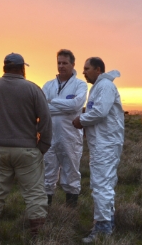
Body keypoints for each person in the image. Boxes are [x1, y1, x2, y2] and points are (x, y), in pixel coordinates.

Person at [0, 53, 52, 239]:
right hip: (27, 150)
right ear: (22, 68)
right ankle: (38, 238)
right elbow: (46, 119)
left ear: (4, 68)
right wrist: (43, 145)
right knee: (34, 196)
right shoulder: (32, 89)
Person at [72, 57, 124, 243]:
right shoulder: (99, 87)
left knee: (102, 185)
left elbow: (100, 112)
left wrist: (81, 120)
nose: (84, 72)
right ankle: (107, 222)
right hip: (102, 143)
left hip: (106, 144)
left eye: (87, 68)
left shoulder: (105, 87)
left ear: (98, 70)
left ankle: (102, 228)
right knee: (103, 183)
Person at [42, 49, 88, 207]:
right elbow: (41, 108)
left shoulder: (80, 85)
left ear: (73, 64)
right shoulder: (48, 85)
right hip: (49, 135)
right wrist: (65, 107)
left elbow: (76, 105)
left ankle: (70, 212)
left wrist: (51, 102)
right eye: (59, 63)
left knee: (71, 172)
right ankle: (45, 211)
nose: (61, 66)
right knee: (48, 172)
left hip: (70, 136)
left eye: (65, 63)